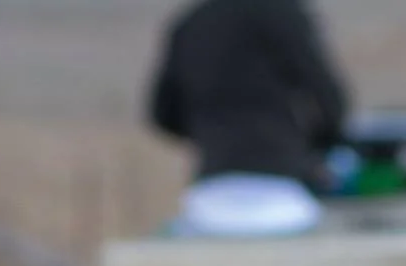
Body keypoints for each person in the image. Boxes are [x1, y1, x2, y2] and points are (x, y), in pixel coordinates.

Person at [145, 0, 351, 235]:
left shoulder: (191, 23)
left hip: (211, 197)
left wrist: (210, 137)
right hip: (284, 196)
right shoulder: (284, 14)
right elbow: (331, 102)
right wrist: (312, 151)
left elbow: (162, 114)